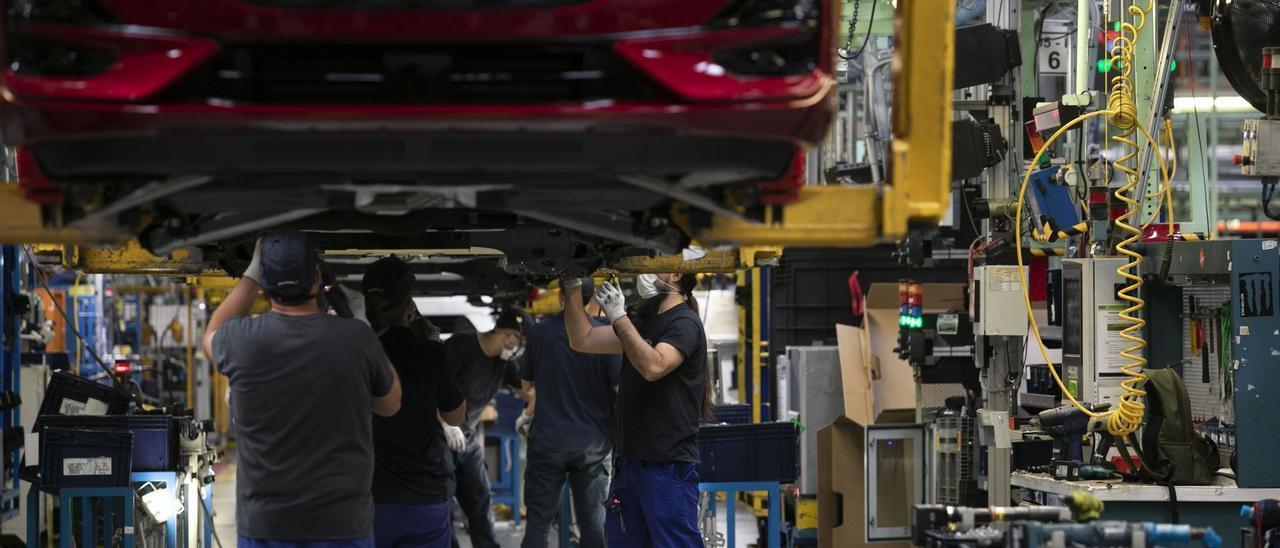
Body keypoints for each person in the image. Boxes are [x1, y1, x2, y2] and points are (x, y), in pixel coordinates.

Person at [202, 231, 402, 547]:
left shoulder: (241, 340)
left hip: (268, 525)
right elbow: (390, 404)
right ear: (317, 278)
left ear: (264, 289)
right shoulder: (356, 339)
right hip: (343, 524)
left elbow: (212, 332)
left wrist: (252, 274)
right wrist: (360, 326)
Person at [563, 273, 710, 548]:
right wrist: (572, 287)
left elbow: (654, 367)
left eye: (656, 264)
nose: (646, 271)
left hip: (667, 465)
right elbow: (582, 339)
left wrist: (619, 317)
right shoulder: (645, 322)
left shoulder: (684, 323)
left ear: (675, 274)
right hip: (629, 462)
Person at [362, 257, 467, 548]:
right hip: (423, 498)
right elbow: (457, 416)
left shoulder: (357, 351)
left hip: (371, 501)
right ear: (409, 307)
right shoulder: (430, 353)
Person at [518, 280, 622, 548]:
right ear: (592, 299)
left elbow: (526, 386)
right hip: (593, 445)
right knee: (594, 527)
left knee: (538, 525)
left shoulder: (539, 334)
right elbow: (619, 388)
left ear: (562, 294)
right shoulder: (605, 334)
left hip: (548, 442)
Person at [441, 309, 527, 548]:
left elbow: (526, 390)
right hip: (439, 431)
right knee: (444, 498)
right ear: (509, 335)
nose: (519, 350)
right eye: (520, 342)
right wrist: (447, 424)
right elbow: (435, 385)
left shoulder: (504, 363)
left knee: (479, 496)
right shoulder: (462, 345)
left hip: (466, 433)